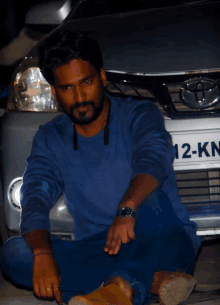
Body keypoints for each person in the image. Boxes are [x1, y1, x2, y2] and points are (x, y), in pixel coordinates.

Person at [0, 30, 201, 305]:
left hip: (161, 238)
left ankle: (120, 288)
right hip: (101, 248)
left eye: (87, 82)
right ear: (55, 92)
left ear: (102, 78)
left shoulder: (139, 115)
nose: (80, 96)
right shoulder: (50, 137)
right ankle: (150, 282)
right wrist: (43, 254)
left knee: (152, 200)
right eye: (67, 88)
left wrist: (127, 208)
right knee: (16, 253)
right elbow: (35, 195)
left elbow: (153, 158)